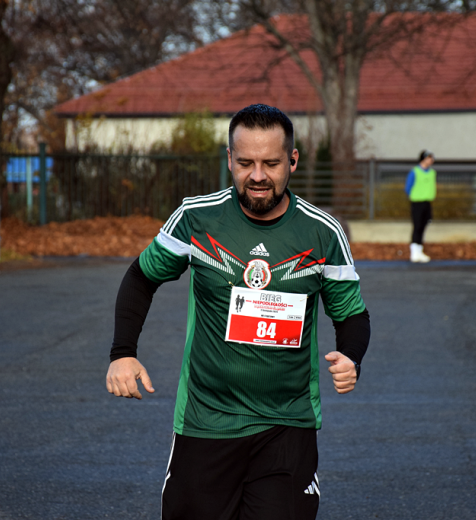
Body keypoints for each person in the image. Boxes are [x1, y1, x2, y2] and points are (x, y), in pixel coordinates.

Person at [106, 104, 371, 520]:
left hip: (287, 425)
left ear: (293, 161)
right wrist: (123, 352)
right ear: (229, 159)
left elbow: (351, 313)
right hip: (206, 422)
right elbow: (141, 277)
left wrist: (351, 356)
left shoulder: (323, 232)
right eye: (245, 162)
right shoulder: (196, 218)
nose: (258, 176)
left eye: (271, 163)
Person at [404, 150, 436, 263]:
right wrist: (413, 196)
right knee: (417, 226)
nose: (431, 160)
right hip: (417, 202)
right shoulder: (415, 172)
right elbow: (407, 187)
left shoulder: (432, 172)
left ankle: (419, 250)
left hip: (427, 202)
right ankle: (414, 252)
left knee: (424, 225)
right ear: (423, 159)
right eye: (429, 158)